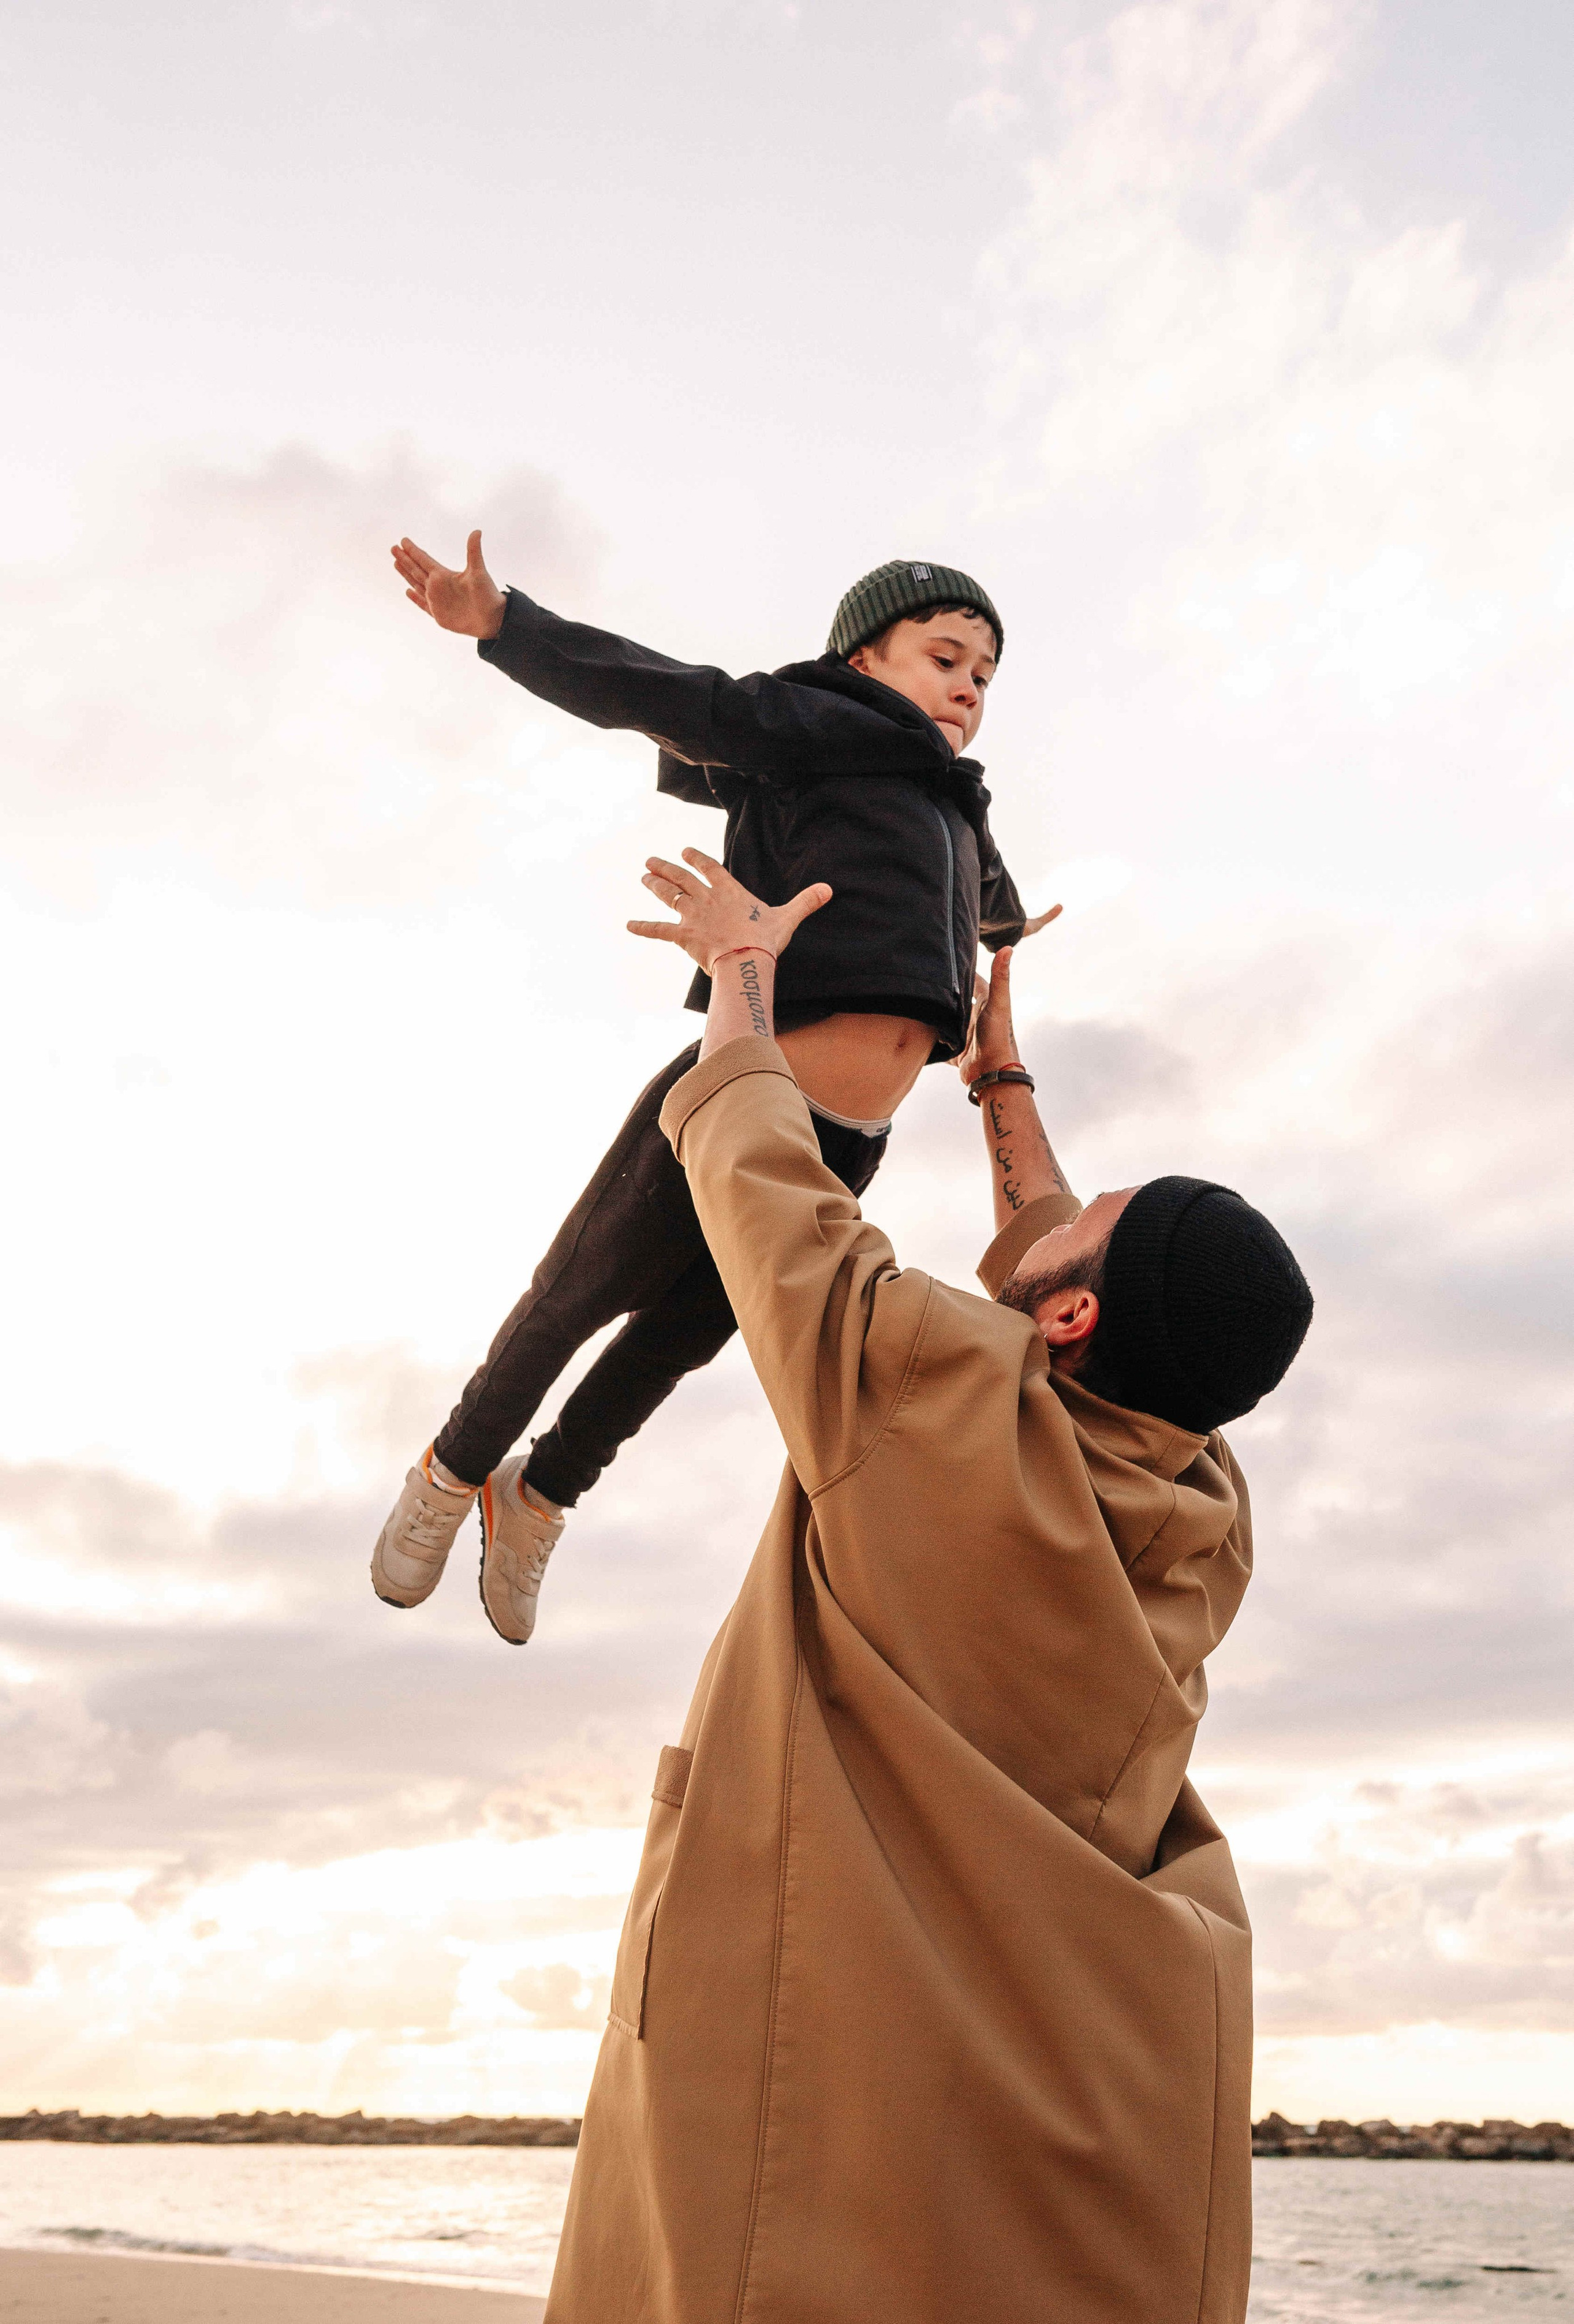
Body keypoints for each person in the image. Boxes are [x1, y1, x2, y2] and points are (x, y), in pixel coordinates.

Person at [542, 846, 1313, 2324]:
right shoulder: (1202, 1508)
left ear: (1069, 1314)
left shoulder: (920, 1394)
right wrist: (996, 1078)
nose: (1051, 1214)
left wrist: (742, 971)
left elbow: (764, 1185)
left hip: (808, 2025)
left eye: (1084, 1222)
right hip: (1051, 2058)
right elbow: (1056, 1263)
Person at [370, 534, 1055, 1643]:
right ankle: (453, 1470)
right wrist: (507, 627)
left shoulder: (957, 808)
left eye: (984, 675)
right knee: (581, 1293)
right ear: (865, 662)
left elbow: (984, 887)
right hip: (742, 1092)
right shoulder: (818, 726)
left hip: (847, 1143)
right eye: (944, 659)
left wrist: (1011, 926)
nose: (970, 688)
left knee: (679, 1340)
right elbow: (671, 694)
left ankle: (538, 1494)